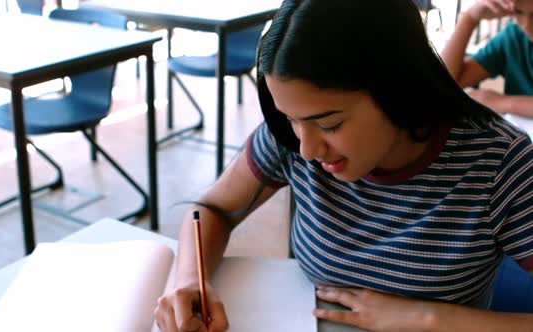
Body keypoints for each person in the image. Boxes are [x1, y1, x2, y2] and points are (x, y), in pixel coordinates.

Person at [154, 0, 533, 331]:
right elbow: (213, 209)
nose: (306, 149)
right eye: (290, 119)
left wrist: (427, 318)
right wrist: (187, 280)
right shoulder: (294, 136)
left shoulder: (500, 166)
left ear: (398, 90)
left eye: (330, 124)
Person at [441, 0, 533, 116]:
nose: (527, 26)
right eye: (518, 12)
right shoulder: (514, 37)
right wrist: (469, 18)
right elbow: (443, 82)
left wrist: (502, 102)